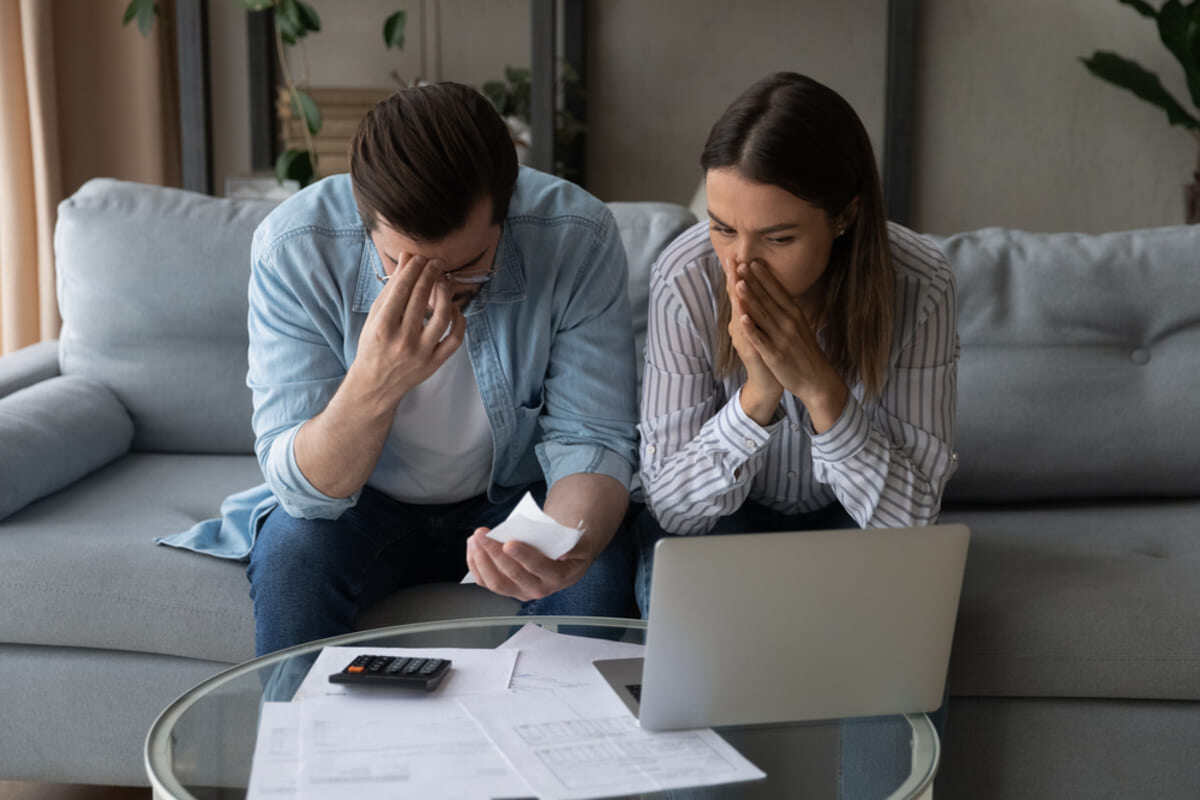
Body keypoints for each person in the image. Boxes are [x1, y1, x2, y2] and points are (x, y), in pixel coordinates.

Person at [161, 82, 638, 657]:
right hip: (362, 505)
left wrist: (568, 546)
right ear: (365, 222)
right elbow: (302, 490)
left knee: (597, 575)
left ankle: (560, 746)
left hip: (518, 494)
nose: (436, 290)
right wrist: (373, 382)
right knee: (293, 561)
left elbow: (593, 439)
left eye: (467, 266)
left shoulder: (576, 237)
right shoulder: (295, 247)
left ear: (506, 215)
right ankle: (305, 748)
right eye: (401, 264)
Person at [635, 69, 959, 800]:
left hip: (860, 524)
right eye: (723, 227)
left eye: (777, 236)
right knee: (685, 631)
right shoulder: (686, 278)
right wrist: (758, 395)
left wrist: (820, 391)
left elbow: (911, 522)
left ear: (843, 216)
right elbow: (675, 509)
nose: (740, 265)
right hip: (722, 524)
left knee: (906, 633)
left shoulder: (920, 283)